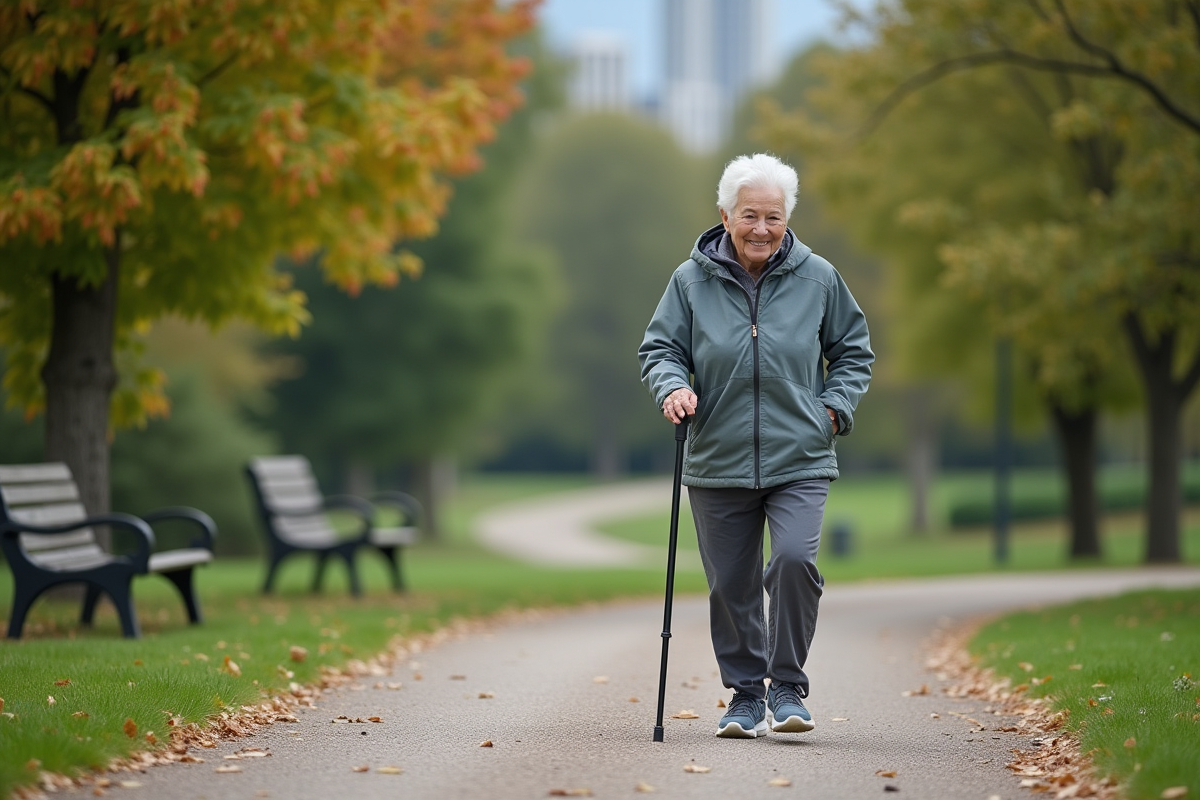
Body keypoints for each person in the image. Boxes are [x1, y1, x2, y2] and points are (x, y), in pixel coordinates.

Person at [638, 153, 873, 738]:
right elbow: (660, 349)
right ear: (724, 215)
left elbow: (853, 350)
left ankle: (788, 686)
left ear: (788, 218)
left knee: (795, 561)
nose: (762, 228)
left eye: (774, 216)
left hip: (801, 454)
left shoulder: (818, 277)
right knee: (731, 582)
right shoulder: (689, 281)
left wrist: (834, 408)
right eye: (750, 215)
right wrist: (673, 387)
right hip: (717, 455)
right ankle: (745, 697)